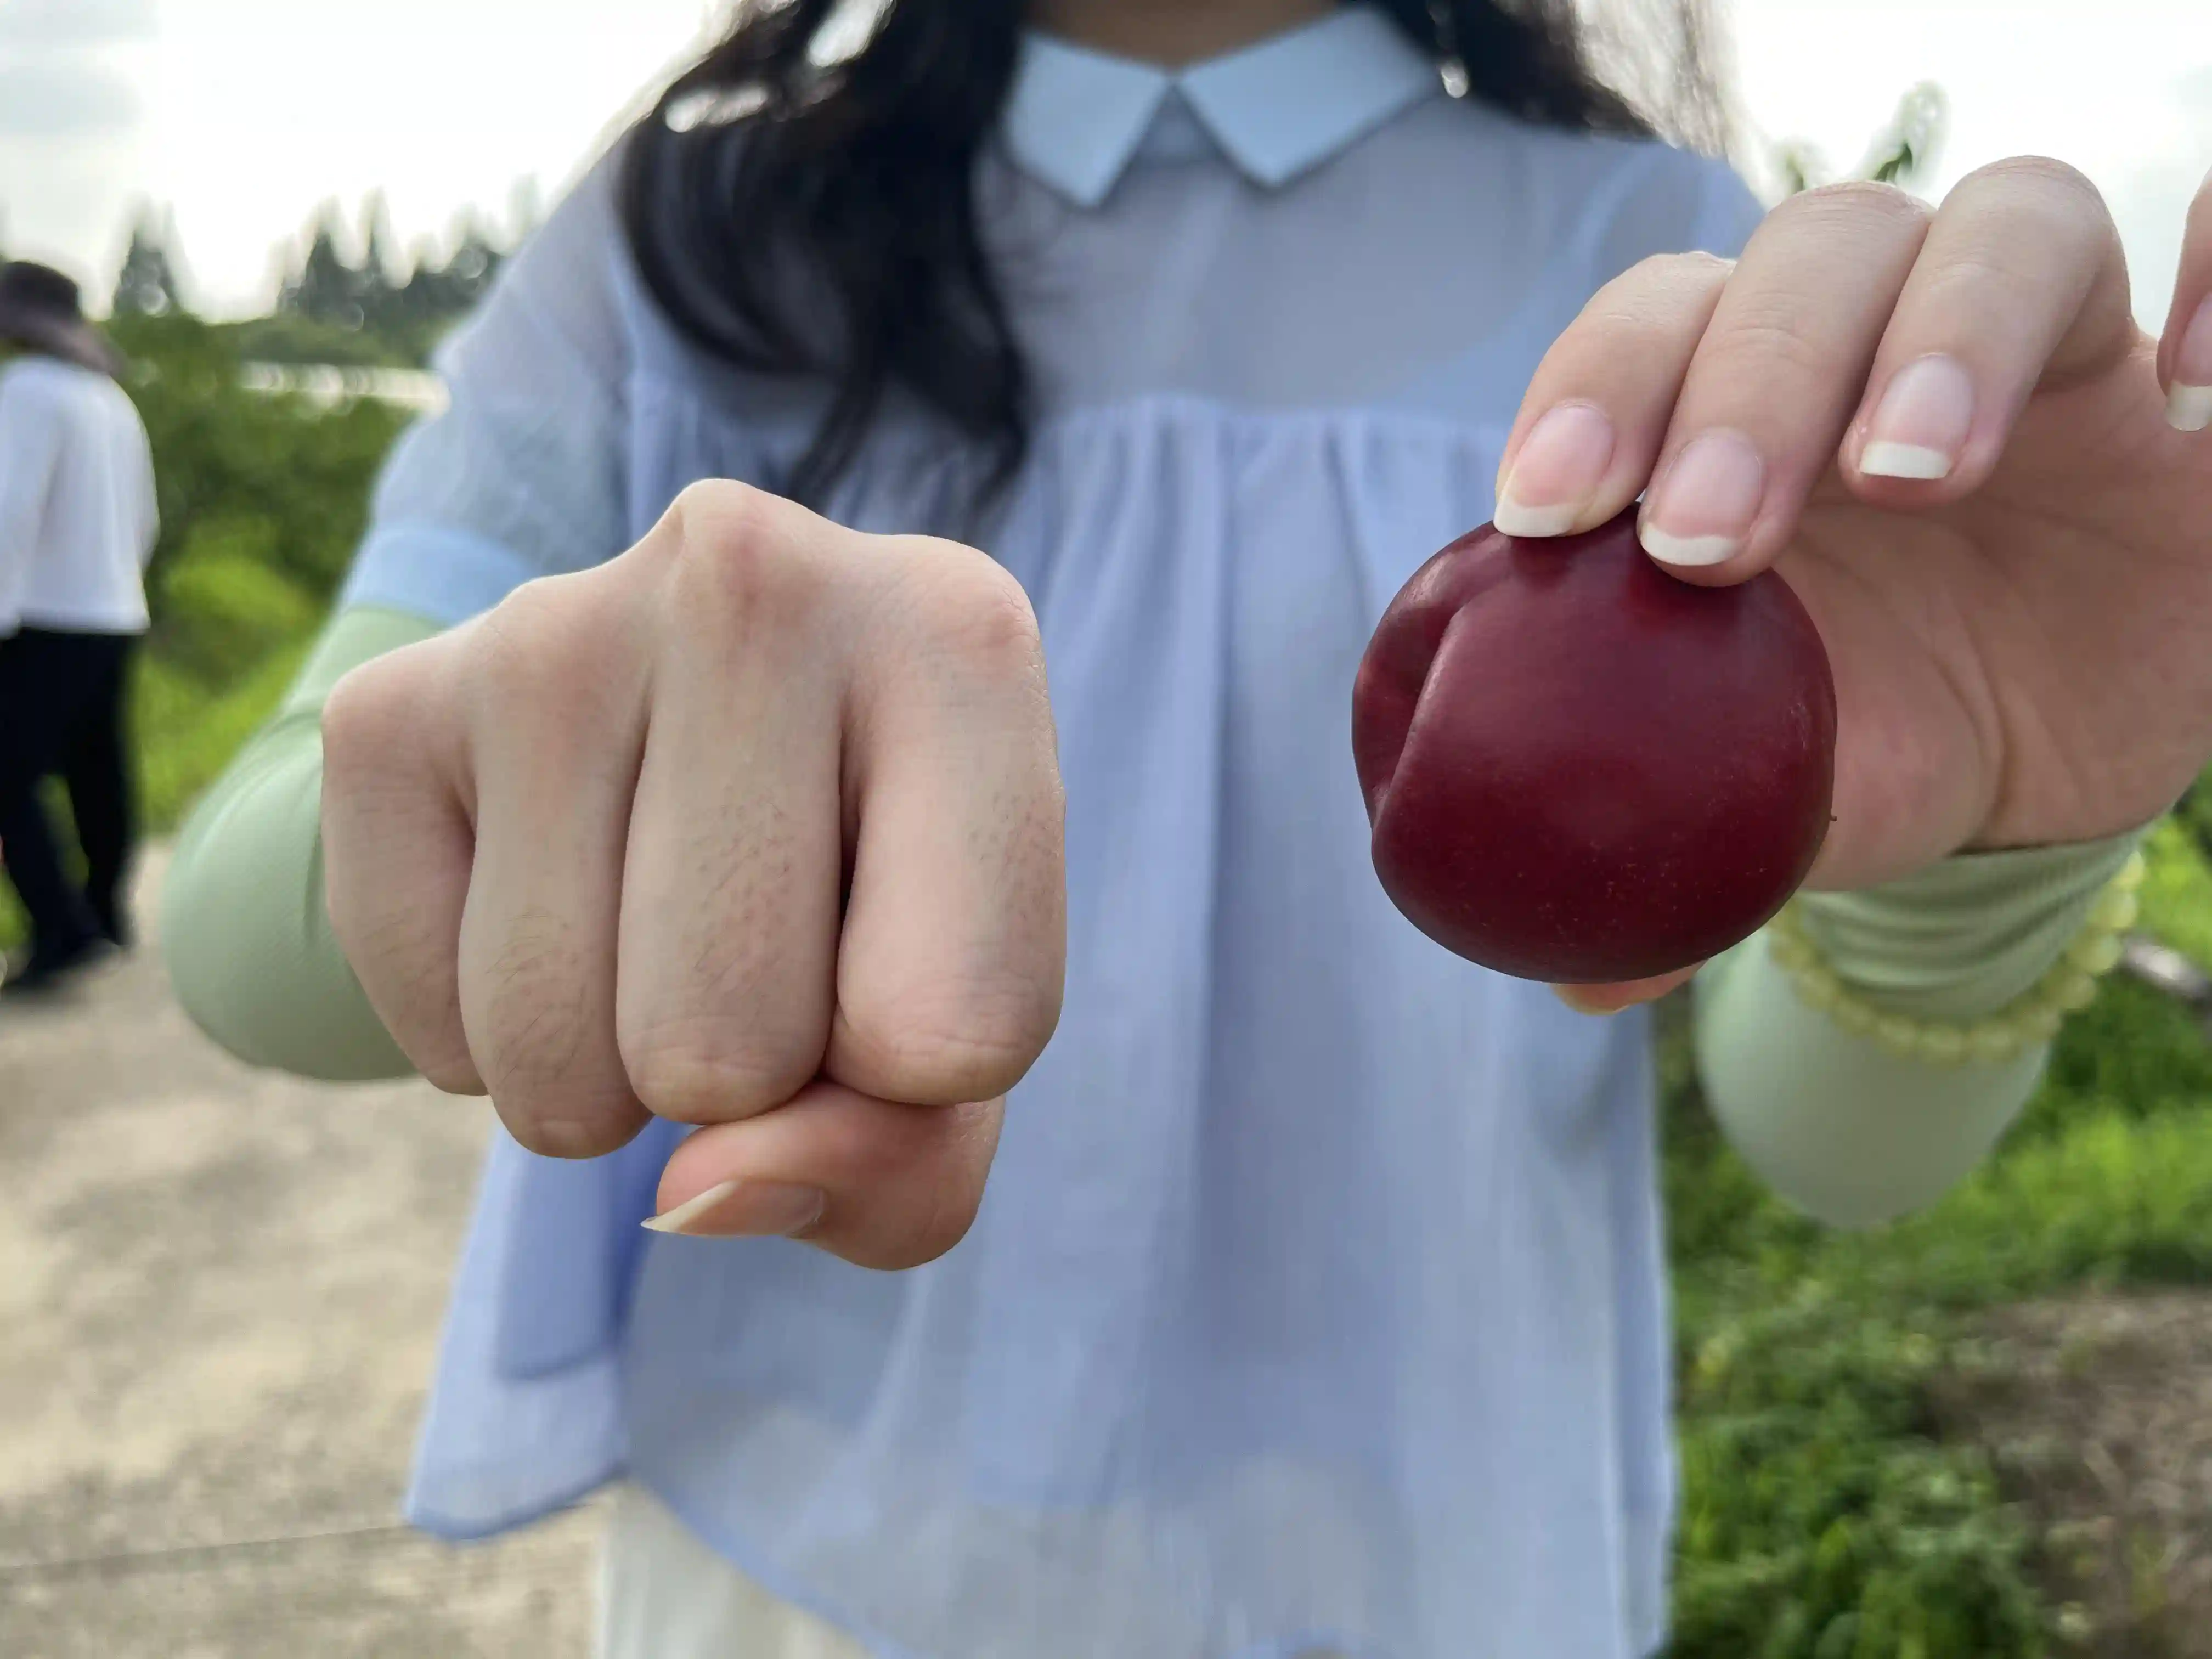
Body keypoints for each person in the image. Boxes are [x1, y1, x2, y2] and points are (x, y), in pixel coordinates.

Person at [163, 2, 2212, 1654]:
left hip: (1435, 1557)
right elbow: (248, 924)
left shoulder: (1652, 255)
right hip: (813, 1569)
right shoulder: (688, 245)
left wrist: (1999, 812)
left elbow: (1836, 1144)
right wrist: (553, 728)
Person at [0, 259, 157, 996]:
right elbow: (144, 522)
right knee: (100, 769)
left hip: (44, 619)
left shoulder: (27, 393)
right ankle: (104, 913)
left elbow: (6, 514)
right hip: (116, 613)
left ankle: (59, 931)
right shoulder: (111, 400)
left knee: (8, 779)